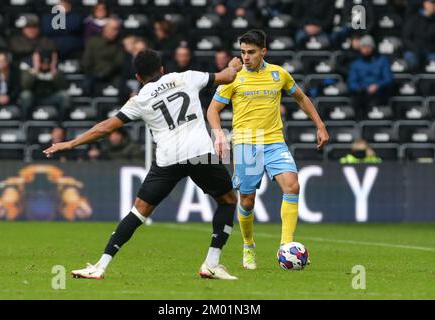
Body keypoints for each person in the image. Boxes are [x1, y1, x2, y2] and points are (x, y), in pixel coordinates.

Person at [43, 49, 244, 280]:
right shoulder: (186, 77)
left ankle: (100, 265)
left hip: (168, 159)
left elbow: (106, 128)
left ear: (138, 77)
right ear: (162, 69)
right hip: (199, 152)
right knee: (228, 201)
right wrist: (233, 66)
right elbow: (226, 76)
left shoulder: (139, 100)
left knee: (138, 212)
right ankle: (211, 263)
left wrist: (71, 143)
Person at [207, 30, 329, 270]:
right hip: (245, 142)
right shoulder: (234, 77)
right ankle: (249, 245)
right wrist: (219, 134)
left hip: (274, 141)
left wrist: (320, 124)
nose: (246, 57)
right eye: (242, 52)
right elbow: (212, 110)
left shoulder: (278, 74)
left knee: (292, 185)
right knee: (248, 200)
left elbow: (301, 98)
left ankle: (286, 245)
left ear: (263, 51)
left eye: (251, 52)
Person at [348, 35, 393, 120]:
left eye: (368, 46)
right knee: (356, 103)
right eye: (363, 47)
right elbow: (352, 83)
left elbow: (388, 78)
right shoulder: (356, 64)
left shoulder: (382, 61)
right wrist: (363, 88)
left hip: (378, 95)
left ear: (373, 47)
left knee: (374, 104)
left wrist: (377, 85)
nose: (366, 49)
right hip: (361, 94)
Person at [19, 50, 70, 119]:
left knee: (64, 95)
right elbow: (25, 86)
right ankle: (25, 122)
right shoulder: (28, 67)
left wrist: (53, 70)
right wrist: (36, 69)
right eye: (42, 61)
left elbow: (64, 86)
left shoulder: (57, 67)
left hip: (51, 97)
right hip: (34, 97)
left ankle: (60, 125)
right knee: (25, 95)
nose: (45, 64)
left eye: (47, 62)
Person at [81, 17, 125, 96]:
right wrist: (93, 72)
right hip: (93, 73)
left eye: (117, 30)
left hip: (112, 75)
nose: (116, 33)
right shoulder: (93, 41)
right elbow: (86, 60)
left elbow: (118, 62)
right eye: (113, 29)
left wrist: (105, 72)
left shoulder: (119, 43)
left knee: (122, 85)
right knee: (86, 85)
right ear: (105, 29)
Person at [0, 52, 21, 119]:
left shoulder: (13, 74)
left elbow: (17, 88)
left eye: (3, 60)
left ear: (7, 62)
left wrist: (8, 97)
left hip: (10, 101)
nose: (1, 63)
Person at [403, 0, 435, 71]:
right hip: (414, 50)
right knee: (411, 58)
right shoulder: (413, 19)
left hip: (431, 51)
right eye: (431, 3)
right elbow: (406, 38)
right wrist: (416, 49)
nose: (433, 6)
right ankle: (412, 80)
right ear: (425, 4)